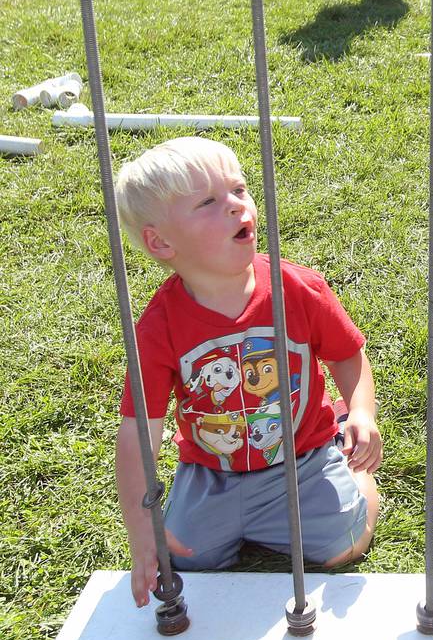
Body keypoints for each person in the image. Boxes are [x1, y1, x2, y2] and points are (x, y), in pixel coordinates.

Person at [114, 138, 381, 607]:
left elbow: (346, 354)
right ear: (161, 242)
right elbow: (139, 432)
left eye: (238, 190)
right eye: (208, 202)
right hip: (212, 469)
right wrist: (141, 531)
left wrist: (361, 412)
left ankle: (350, 463)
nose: (236, 206)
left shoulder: (300, 289)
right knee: (185, 557)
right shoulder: (157, 328)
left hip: (302, 456)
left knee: (344, 546)